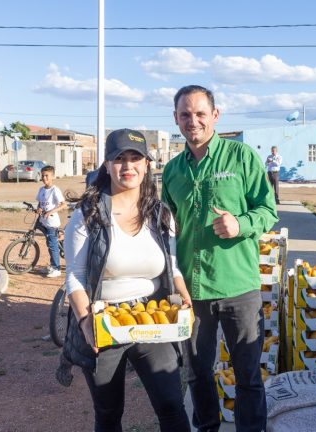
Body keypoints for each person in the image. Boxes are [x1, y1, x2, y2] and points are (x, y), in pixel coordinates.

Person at [162, 85, 278, 432]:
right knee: (197, 374)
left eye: (200, 113)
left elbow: (268, 211)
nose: (192, 121)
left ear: (215, 115)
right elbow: (168, 229)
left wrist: (240, 223)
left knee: (247, 376)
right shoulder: (172, 171)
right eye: (185, 114)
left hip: (239, 288)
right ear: (176, 119)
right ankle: (207, 428)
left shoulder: (241, 157)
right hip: (192, 293)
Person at [61, 128, 192, 431]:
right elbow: (76, 277)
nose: (128, 166)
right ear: (106, 164)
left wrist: (184, 297)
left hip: (152, 317)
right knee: (108, 412)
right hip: (104, 320)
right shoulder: (88, 216)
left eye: (136, 158)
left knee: (171, 403)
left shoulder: (160, 214)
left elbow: (171, 267)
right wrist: (85, 324)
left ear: (147, 164)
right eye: (119, 158)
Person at [36, 165, 66, 278]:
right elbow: (40, 202)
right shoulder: (41, 189)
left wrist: (51, 211)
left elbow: (64, 205)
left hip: (52, 222)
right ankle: (52, 266)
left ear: (52, 176)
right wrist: (39, 208)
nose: (44, 178)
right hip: (44, 221)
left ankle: (57, 268)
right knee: (50, 243)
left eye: (47, 176)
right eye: (42, 175)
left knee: (52, 245)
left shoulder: (55, 190)